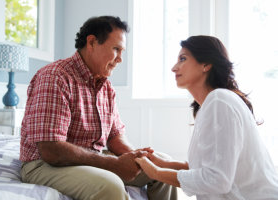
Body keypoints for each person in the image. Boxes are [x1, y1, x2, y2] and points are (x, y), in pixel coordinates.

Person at [20, 16, 177, 200]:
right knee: (110, 186)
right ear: (92, 42)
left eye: (122, 51)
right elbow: (51, 150)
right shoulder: (55, 77)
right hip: (44, 164)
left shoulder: (106, 87)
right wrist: (113, 163)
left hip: (91, 158)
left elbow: (115, 136)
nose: (120, 59)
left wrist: (136, 158)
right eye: (116, 49)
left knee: (163, 170)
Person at [135, 35, 278, 199]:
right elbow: (210, 168)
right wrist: (164, 164)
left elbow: (217, 179)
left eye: (183, 59)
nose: (174, 68)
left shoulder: (219, 101)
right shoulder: (213, 103)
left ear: (206, 64)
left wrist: (156, 173)